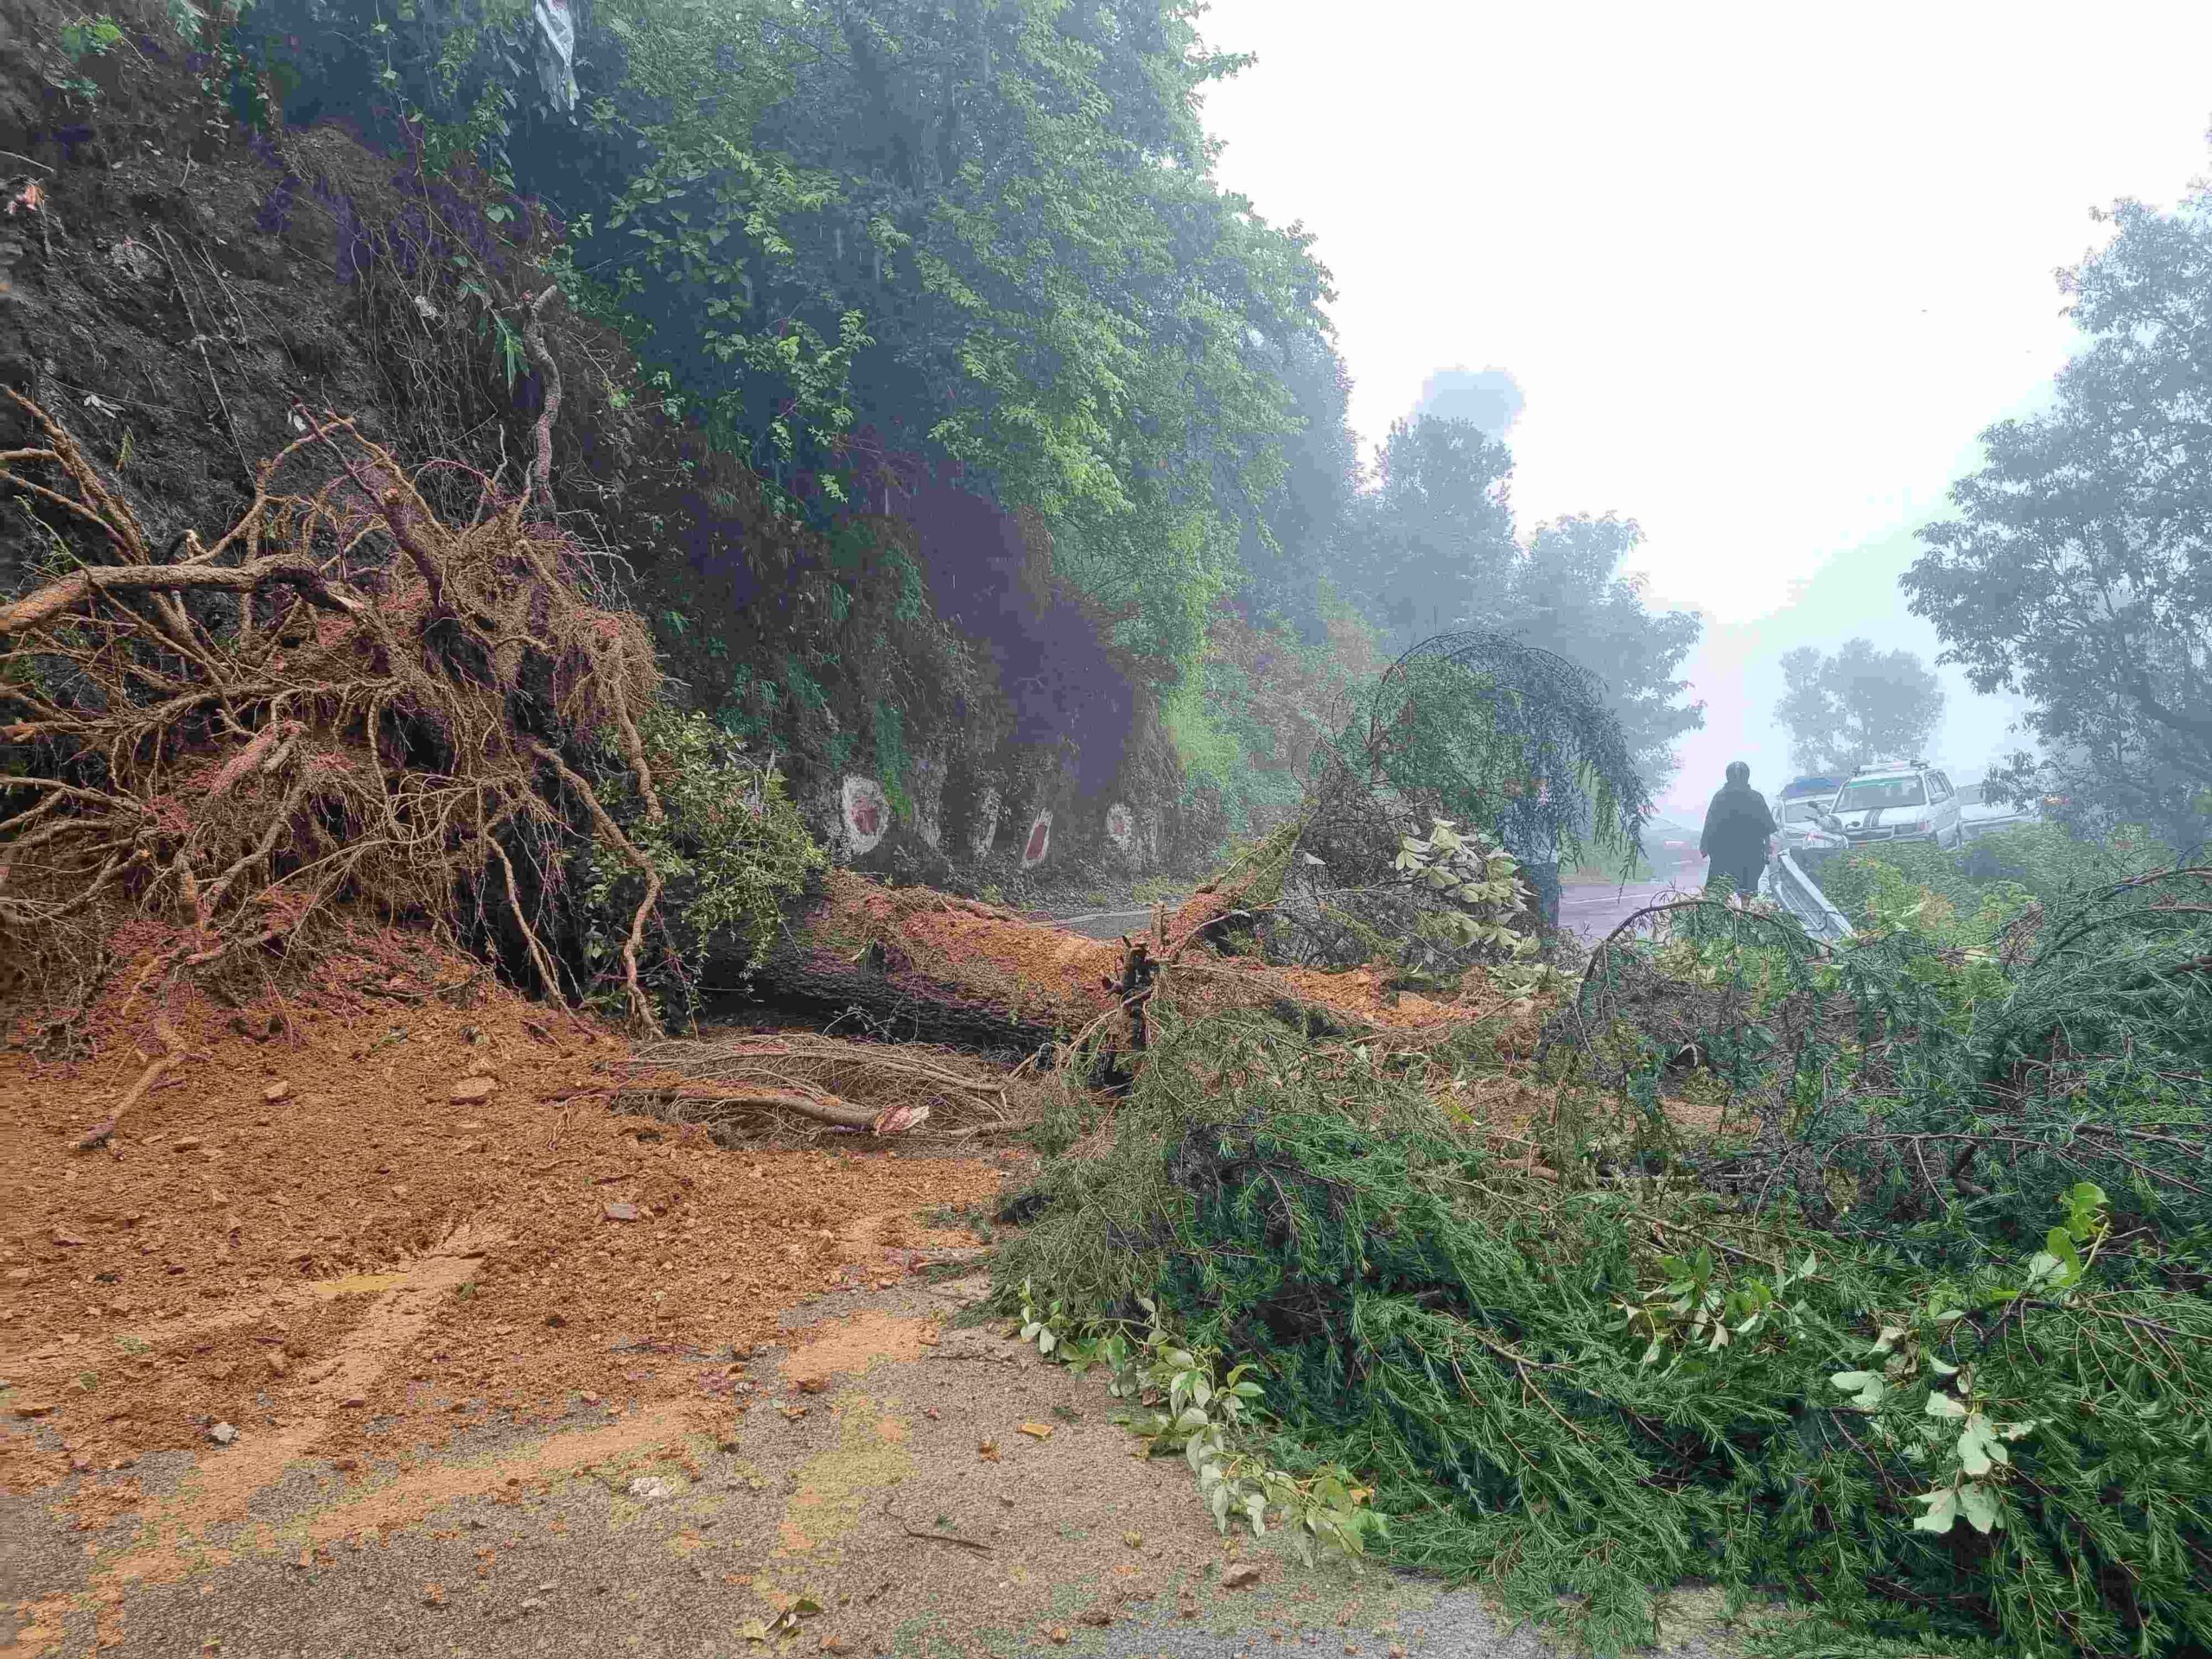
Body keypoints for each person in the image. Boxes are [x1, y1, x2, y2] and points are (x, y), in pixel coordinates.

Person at [1699, 760, 1777, 901]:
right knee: (1742, 891)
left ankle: (1729, 912)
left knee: (1724, 891)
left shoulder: (1720, 797)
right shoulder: (1755, 797)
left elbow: (1710, 824)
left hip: (1729, 854)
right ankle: (1737, 912)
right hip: (1744, 854)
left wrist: (1705, 846)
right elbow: (1766, 828)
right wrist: (1765, 851)